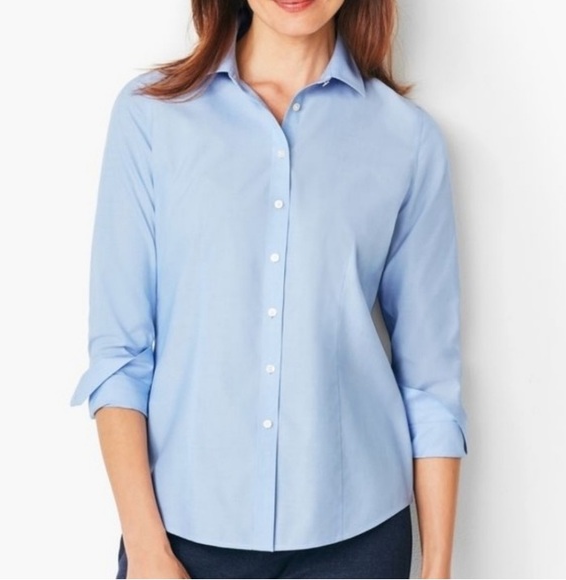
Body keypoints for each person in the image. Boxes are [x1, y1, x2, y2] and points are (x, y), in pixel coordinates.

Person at [70, 0, 469, 578]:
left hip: (357, 542)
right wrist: (148, 550)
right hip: (182, 537)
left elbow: (430, 382)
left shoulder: (407, 140)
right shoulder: (151, 117)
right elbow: (120, 355)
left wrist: (437, 570)